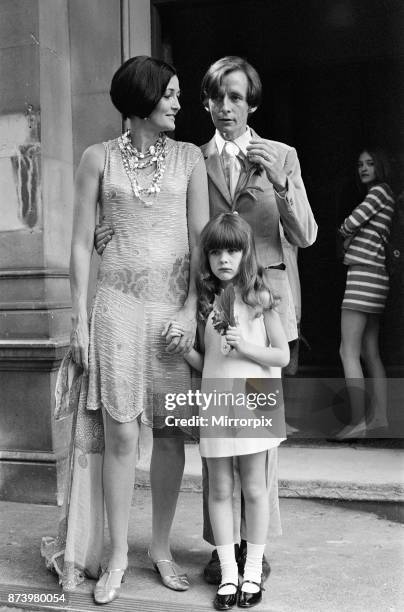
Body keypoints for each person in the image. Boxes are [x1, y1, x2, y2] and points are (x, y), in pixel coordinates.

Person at [95, 55, 317, 584]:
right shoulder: (190, 158)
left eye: (236, 97)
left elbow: (306, 234)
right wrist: (108, 233)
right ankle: (222, 548)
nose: (224, 108)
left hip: (265, 312)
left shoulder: (282, 155)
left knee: (257, 440)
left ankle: (253, 548)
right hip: (211, 314)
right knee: (217, 434)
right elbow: (169, 223)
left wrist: (281, 183)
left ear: (252, 102)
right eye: (215, 98)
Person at [42, 56, 209, 603]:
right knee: (120, 435)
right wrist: (79, 321)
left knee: (171, 434)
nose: (179, 104)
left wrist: (190, 310)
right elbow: (78, 243)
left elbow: (202, 239)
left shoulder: (189, 159)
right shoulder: (98, 158)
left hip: (171, 317)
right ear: (143, 98)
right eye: (171, 94)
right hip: (115, 311)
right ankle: (116, 554)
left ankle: (158, 548)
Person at [169, 213, 289, 609]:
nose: (224, 259)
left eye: (232, 250)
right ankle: (228, 574)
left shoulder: (261, 297)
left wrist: (245, 346)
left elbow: (282, 354)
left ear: (246, 253)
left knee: (254, 488)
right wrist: (182, 347)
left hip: (255, 399)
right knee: (219, 489)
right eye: (216, 251)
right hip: (218, 401)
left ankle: (253, 571)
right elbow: (209, 365)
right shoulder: (204, 302)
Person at [337, 147, 395, 439]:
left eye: (370, 163)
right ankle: (380, 418)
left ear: (381, 166)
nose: (364, 168)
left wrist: (345, 235)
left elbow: (350, 223)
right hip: (377, 277)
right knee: (370, 351)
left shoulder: (378, 192)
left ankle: (357, 422)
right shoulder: (385, 195)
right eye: (360, 164)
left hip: (362, 276)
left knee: (347, 350)